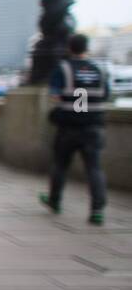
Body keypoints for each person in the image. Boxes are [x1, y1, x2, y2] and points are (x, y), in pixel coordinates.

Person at [39, 33, 108, 225]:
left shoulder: (63, 68)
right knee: (94, 168)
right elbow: (105, 94)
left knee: (60, 164)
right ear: (87, 48)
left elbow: (55, 96)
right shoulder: (100, 70)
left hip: (69, 125)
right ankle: (97, 210)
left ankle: (55, 200)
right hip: (93, 126)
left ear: (69, 48)